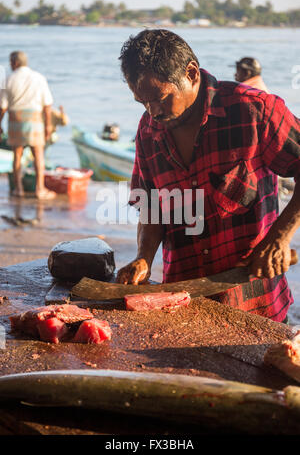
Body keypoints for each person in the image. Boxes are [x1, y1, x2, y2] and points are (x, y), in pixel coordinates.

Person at [116, 29, 300, 323]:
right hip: (182, 306)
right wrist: (144, 257)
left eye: (161, 99)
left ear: (191, 73)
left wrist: (280, 236)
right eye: (143, 103)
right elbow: (149, 204)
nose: (153, 112)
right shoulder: (148, 130)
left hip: (255, 305)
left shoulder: (253, 110)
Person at [0, 51, 56, 199]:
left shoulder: (7, 80)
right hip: (35, 120)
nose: (10, 65)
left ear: (15, 63)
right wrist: (48, 125)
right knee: (38, 155)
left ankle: (18, 189)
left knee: (17, 156)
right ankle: (40, 189)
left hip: (15, 121)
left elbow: (3, 107)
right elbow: (48, 105)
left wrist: (0, 124)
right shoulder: (39, 78)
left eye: (11, 62)